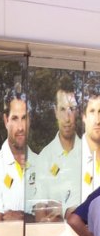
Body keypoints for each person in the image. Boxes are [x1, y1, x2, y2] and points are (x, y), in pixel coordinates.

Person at [0, 86, 36, 222]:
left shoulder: (41, 164)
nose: (20, 127)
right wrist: (35, 219)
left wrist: (20, 217)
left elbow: (53, 221)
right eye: (15, 118)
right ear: (6, 121)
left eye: (24, 118)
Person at [33, 80, 81, 221]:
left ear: (77, 112)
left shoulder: (90, 154)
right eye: (62, 109)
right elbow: (40, 216)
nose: (67, 118)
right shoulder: (44, 158)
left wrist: (59, 210)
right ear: (55, 112)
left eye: (71, 109)